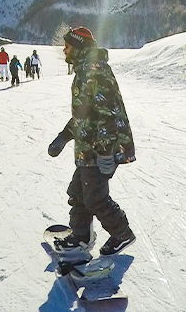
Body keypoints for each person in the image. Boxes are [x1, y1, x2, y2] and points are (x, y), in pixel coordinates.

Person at [47, 27, 136, 257]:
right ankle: (80, 237)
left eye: (67, 46)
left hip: (102, 146)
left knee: (95, 197)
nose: (64, 50)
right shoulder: (85, 70)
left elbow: (107, 114)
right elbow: (84, 114)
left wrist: (106, 152)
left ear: (77, 47)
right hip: (90, 146)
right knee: (78, 192)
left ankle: (122, 234)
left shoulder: (95, 71)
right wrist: (64, 136)